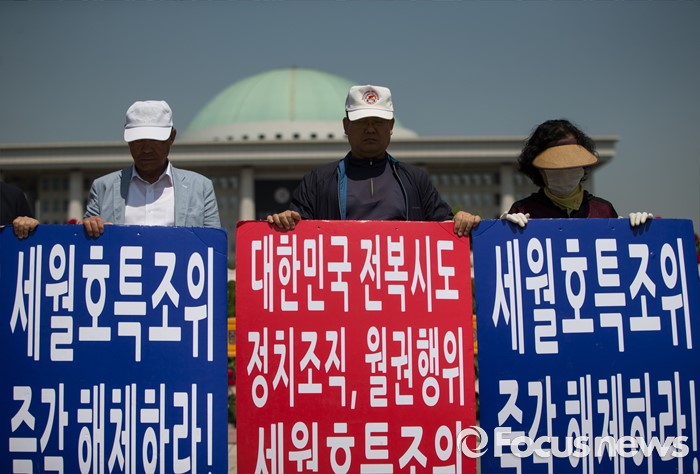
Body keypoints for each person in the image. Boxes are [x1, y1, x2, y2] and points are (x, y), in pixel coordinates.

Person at [267, 85, 480, 236]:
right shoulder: (318, 181)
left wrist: (461, 221)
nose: (370, 129)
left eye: (378, 121)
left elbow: (445, 228)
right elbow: (297, 232)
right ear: (346, 126)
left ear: (391, 126)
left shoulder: (415, 180)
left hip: (400, 282)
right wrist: (284, 221)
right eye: (362, 122)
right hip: (341, 283)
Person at [81, 100, 220, 237]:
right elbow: (83, 241)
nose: (146, 149)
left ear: (172, 137)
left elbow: (213, 242)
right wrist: (87, 227)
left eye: (155, 140)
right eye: (138, 140)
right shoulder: (103, 188)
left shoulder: (200, 188)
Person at [503, 119, 652, 227]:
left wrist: (639, 231)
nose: (565, 172)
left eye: (572, 164)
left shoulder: (603, 210)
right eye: (555, 166)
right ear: (538, 169)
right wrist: (503, 231)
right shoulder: (523, 211)